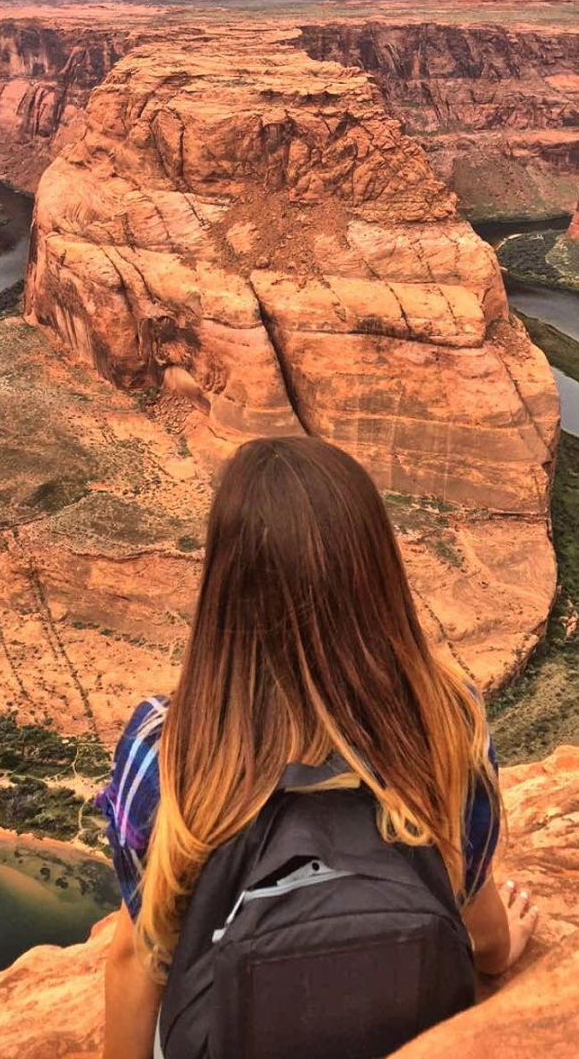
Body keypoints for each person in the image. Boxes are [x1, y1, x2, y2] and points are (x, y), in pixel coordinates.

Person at [97, 436, 538, 1059]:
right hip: (406, 1021)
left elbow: (135, 958)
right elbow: (480, 926)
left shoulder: (167, 746)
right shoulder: (448, 724)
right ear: (377, 569)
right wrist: (508, 950)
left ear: (225, 582)